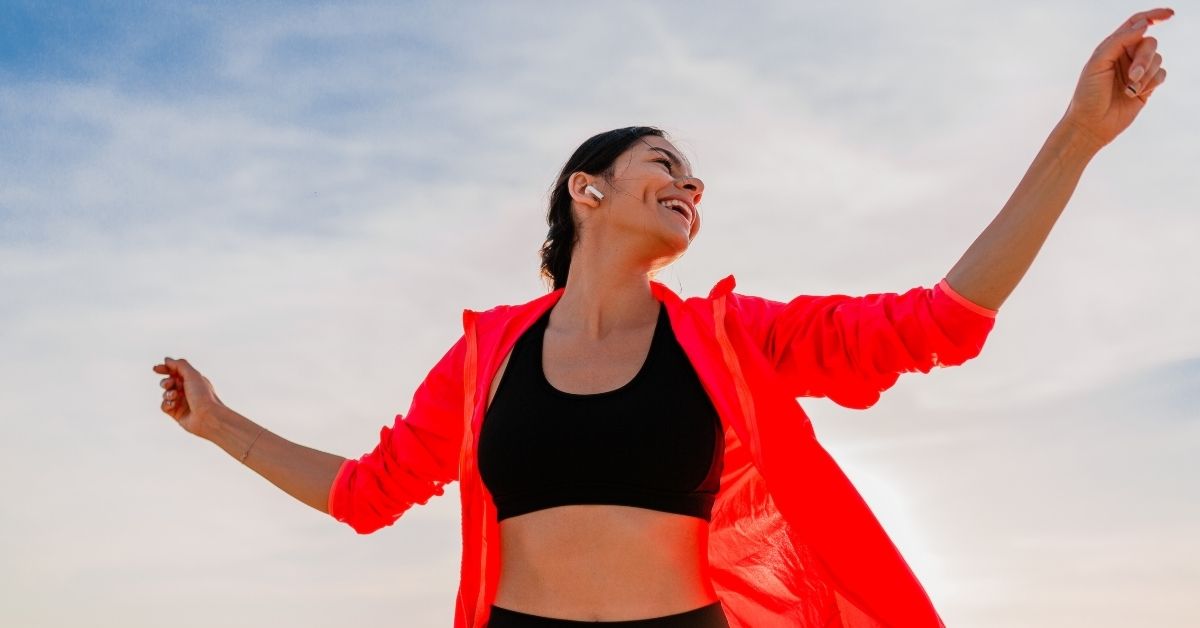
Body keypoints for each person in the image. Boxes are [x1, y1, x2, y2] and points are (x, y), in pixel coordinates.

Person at [152, 9, 1173, 627]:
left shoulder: (735, 338)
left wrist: (1077, 137)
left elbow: (939, 321)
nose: (692, 181)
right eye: (664, 163)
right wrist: (219, 423)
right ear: (586, 191)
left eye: (695, 174)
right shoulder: (483, 357)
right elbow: (367, 494)